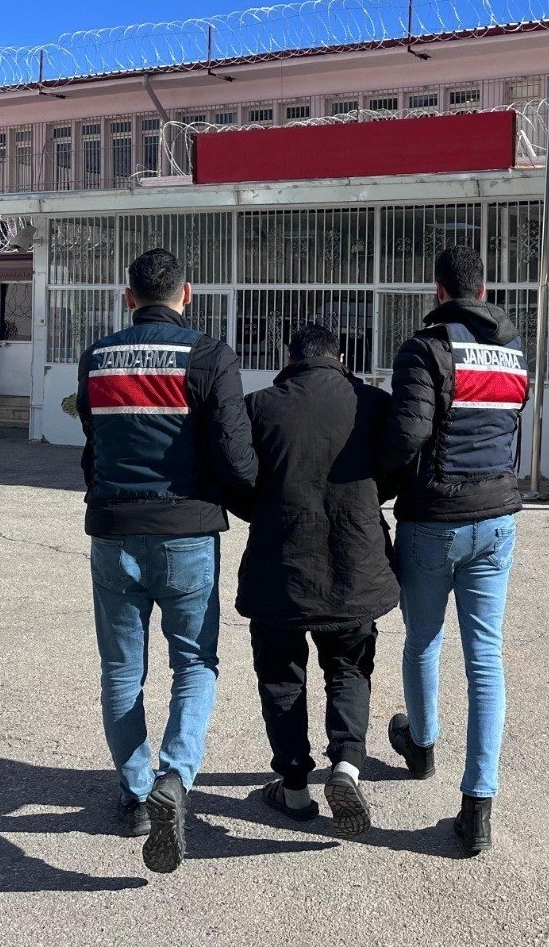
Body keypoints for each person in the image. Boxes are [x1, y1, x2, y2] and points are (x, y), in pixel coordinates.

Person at [76, 248, 257, 875]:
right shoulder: (209, 356)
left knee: (121, 672)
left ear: (129, 298)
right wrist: (260, 507)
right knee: (195, 663)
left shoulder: (98, 357)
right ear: (189, 293)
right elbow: (236, 458)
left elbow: (93, 445)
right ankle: (175, 778)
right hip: (186, 533)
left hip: (113, 531)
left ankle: (136, 794)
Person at [378, 245, 528, 855]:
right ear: (483, 292)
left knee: (423, 640)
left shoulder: (425, 349)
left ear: (439, 292)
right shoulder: (513, 350)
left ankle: (421, 747)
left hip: (434, 520)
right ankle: (478, 808)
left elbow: (406, 435)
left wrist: (375, 484)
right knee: (485, 658)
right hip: (496, 518)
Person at [233, 323, 398, 837]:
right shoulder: (373, 403)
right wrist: (369, 502)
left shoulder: (260, 406)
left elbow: (237, 475)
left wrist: (264, 511)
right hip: (354, 563)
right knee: (349, 666)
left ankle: (295, 788)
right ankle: (346, 766)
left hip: (278, 566)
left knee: (281, 676)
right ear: (341, 357)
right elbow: (396, 463)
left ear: (290, 359)